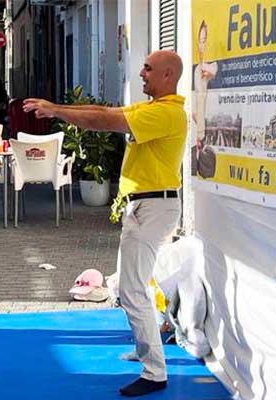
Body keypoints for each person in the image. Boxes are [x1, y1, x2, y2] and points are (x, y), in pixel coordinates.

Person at [23, 50, 187, 397]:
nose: (141, 73)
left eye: (148, 69)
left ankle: (154, 371)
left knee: (132, 290)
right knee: (133, 286)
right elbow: (99, 114)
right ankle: (148, 349)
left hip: (153, 207)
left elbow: (100, 121)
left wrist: (54, 110)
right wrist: (57, 109)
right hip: (144, 206)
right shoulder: (150, 108)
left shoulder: (166, 113)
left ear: (168, 75)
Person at [192, 20, 218, 178]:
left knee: (206, 173)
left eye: (205, 41)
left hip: (203, 131)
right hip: (195, 128)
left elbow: (211, 71)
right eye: (200, 41)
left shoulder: (211, 65)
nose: (202, 45)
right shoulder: (196, 68)